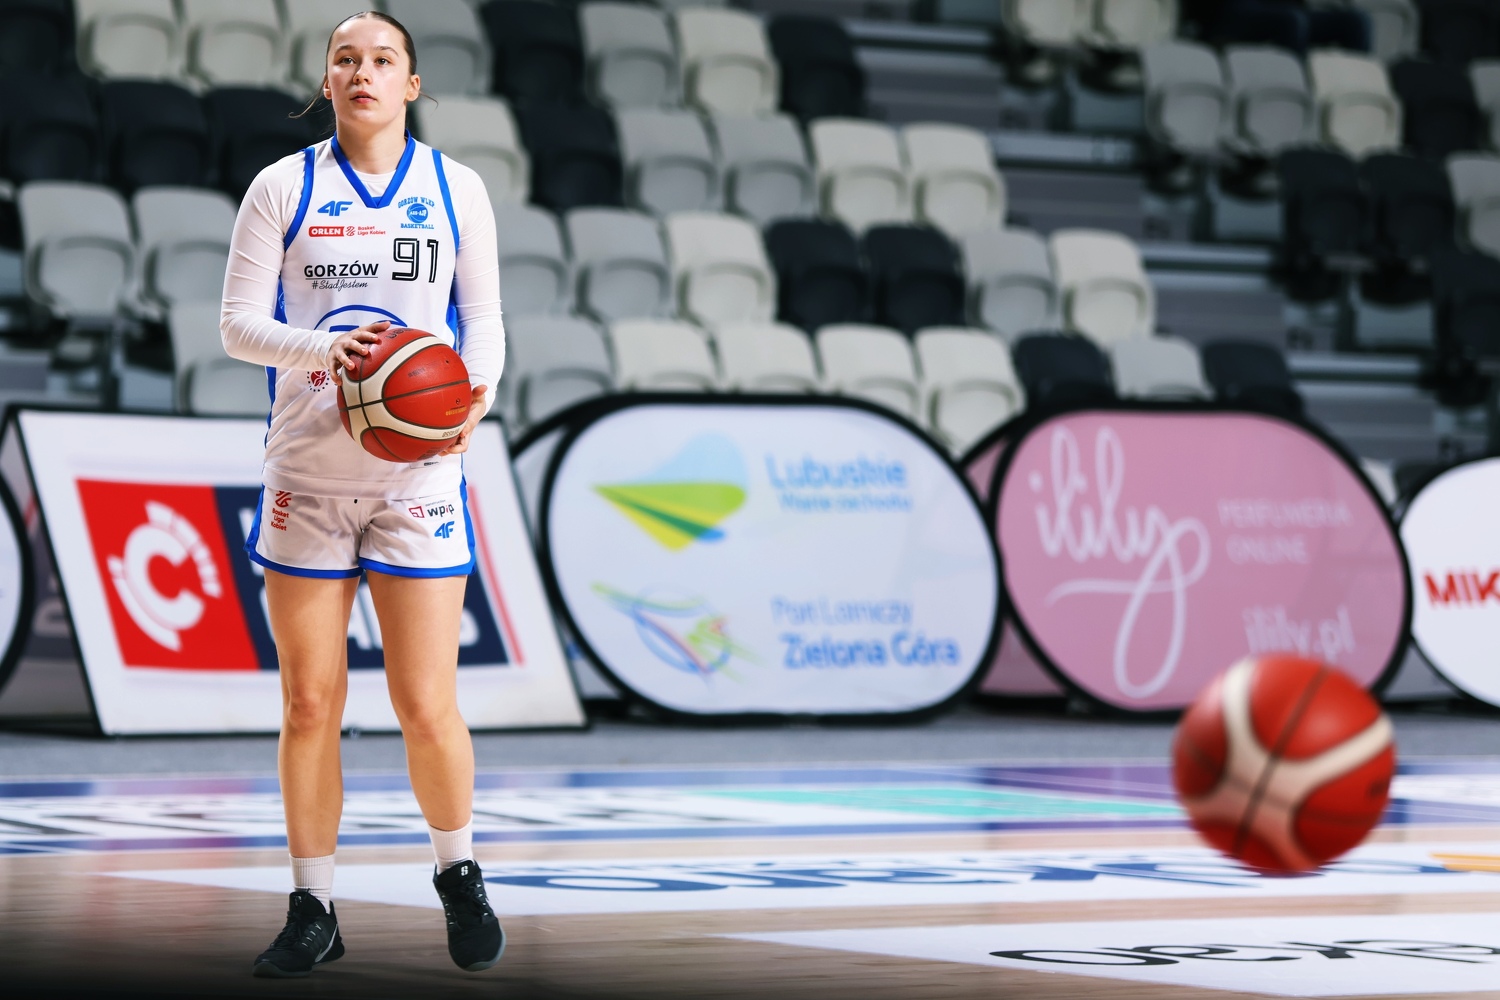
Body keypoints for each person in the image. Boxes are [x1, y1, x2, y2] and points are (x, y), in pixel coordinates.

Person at [219, 10, 505, 979]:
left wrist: (474, 398)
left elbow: (484, 320)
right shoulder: (282, 186)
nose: (363, 72)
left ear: (411, 84)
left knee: (427, 703)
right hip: (307, 474)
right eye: (346, 58)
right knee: (309, 703)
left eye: (383, 59)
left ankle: (458, 872)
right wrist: (323, 348)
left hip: (417, 476)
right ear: (328, 80)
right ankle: (314, 906)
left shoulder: (455, 188)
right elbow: (237, 326)